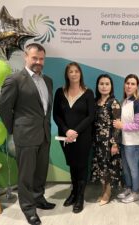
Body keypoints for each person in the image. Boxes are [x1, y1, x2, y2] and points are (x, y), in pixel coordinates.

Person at [0, 43, 55, 225]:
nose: (38, 62)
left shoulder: (48, 81)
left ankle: (39, 198)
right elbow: (4, 108)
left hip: (44, 134)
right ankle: (28, 209)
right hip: (25, 135)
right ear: (26, 57)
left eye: (41, 59)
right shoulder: (14, 79)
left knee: (40, 172)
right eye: (34, 58)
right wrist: (15, 129)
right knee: (26, 175)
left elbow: (46, 109)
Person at [53, 62, 95, 213]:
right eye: (71, 71)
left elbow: (91, 116)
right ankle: (73, 192)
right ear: (67, 75)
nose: (74, 74)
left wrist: (75, 131)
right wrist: (66, 131)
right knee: (72, 164)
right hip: (65, 137)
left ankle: (79, 197)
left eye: (76, 71)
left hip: (83, 136)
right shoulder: (60, 92)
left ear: (80, 74)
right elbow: (56, 115)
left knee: (82, 165)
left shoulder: (88, 93)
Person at [113, 74, 139, 203]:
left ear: (137, 86)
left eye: (132, 83)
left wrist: (122, 125)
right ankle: (128, 188)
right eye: (127, 83)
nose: (129, 86)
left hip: (134, 142)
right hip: (125, 141)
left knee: (133, 169)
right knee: (126, 169)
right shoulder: (125, 101)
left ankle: (136, 192)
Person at [91, 74, 122, 206]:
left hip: (109, 141)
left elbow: (117, 125)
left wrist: (115, 143)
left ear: (111, 86)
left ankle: (108, 193)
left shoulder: (113, 102)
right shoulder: (95, 101)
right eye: (101, 84)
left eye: (107, 84)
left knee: (109, 167)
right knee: (101, 166)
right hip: (97, 141)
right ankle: (103, 190)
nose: (104, 86)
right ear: (97, 86)